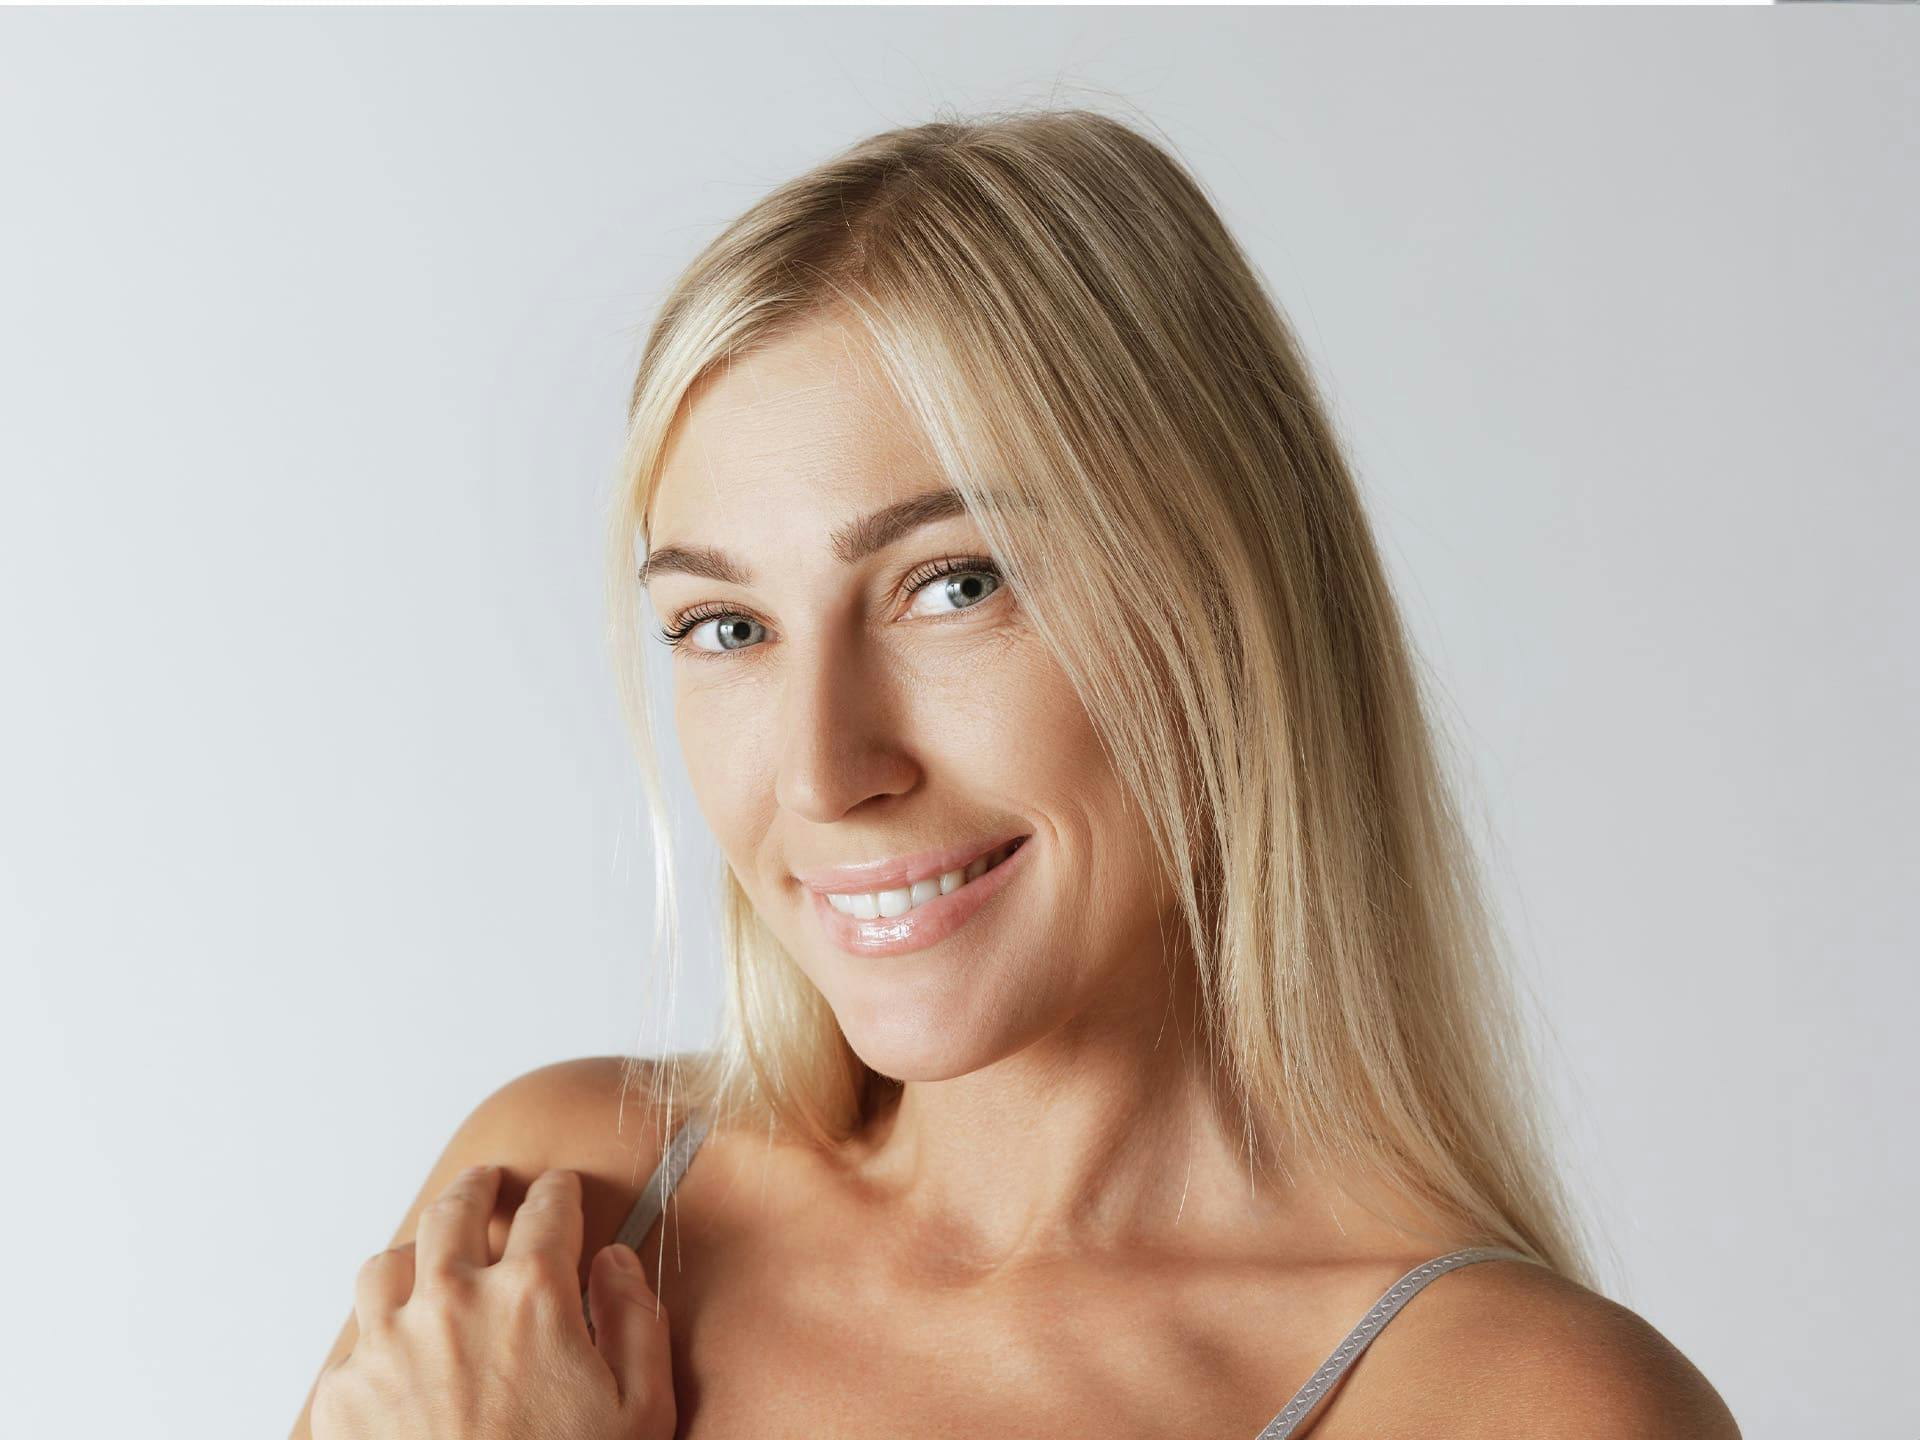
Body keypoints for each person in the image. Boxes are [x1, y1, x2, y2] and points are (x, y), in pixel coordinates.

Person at [292, 108, 1741, 1439]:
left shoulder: (1507, 1405)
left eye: (954, 583)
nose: (822, 769)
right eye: (725, 626)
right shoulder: (567, 1210)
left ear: (1228, 604)